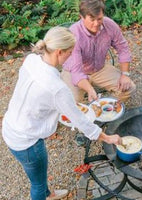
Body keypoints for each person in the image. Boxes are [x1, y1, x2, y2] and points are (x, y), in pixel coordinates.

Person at [1, 26, 122, 200]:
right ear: (59, 52)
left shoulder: (31, 60)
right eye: (70, 52)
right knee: (37, 184)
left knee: (38, 178)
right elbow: (80, 121)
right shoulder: (57, 89)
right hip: (26, 141)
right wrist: (108, 138)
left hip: (11, 125)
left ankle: (48, 195)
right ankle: (44, 195)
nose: (72, 55)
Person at [62, 0, 136, 103]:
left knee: (129, 88)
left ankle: (107, 109)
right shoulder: (74, 34)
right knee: (72, 101)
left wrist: (125, 74)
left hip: (99, 69)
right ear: (82, 17)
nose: (96, 23)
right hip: (73, 71)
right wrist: (90, 89)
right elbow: (77, 72)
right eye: (92, 19)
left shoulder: (109, 24)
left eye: (99, 18)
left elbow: (123, 48)